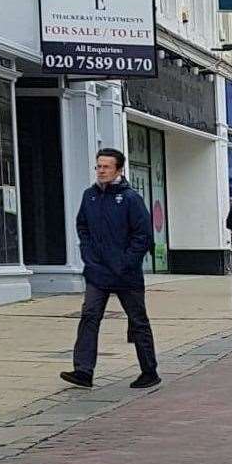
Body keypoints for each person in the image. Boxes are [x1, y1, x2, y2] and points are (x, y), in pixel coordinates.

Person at [61, 149, 158, 390]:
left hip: (126, 273)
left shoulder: (130, 199)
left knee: (137, 321)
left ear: (119, 170)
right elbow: (82, 226)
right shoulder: (89, 196)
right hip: (97, 272)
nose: (101, 171)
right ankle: (83, 371)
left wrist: (126, 262)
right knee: (89, 316)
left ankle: (149, 371)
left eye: (106, 167)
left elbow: (143, 235)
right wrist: (88, 255)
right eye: (98, 166)